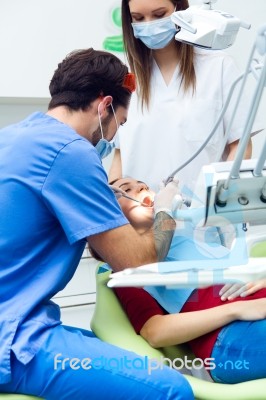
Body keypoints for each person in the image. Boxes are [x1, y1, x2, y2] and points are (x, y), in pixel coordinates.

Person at [0, 48, 194, 399]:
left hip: (21, 318)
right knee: (172, 389)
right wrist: (166, 209)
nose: (112, 136)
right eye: (118, 123)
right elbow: (138, 262)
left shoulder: (12, 137)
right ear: (104, 106)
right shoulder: (71, 152)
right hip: (14, 335)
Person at [101, 177, 266, 384]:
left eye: (142, 184)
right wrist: (237, 310)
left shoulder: (190, 238)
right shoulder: (126, 268)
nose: (141, 187)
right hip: (229, 339)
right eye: (126, 189)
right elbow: (155, 331)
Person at [109, 0, 259, 193]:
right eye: (138, 18)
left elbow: (240, 147)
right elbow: (120, 154)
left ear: (180, 9)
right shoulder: (126, 78)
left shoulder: (218, 67)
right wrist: (118, 204)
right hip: (141, 217)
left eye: (159, 14)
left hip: (201, 216)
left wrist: (215, 201)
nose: (149, 25)